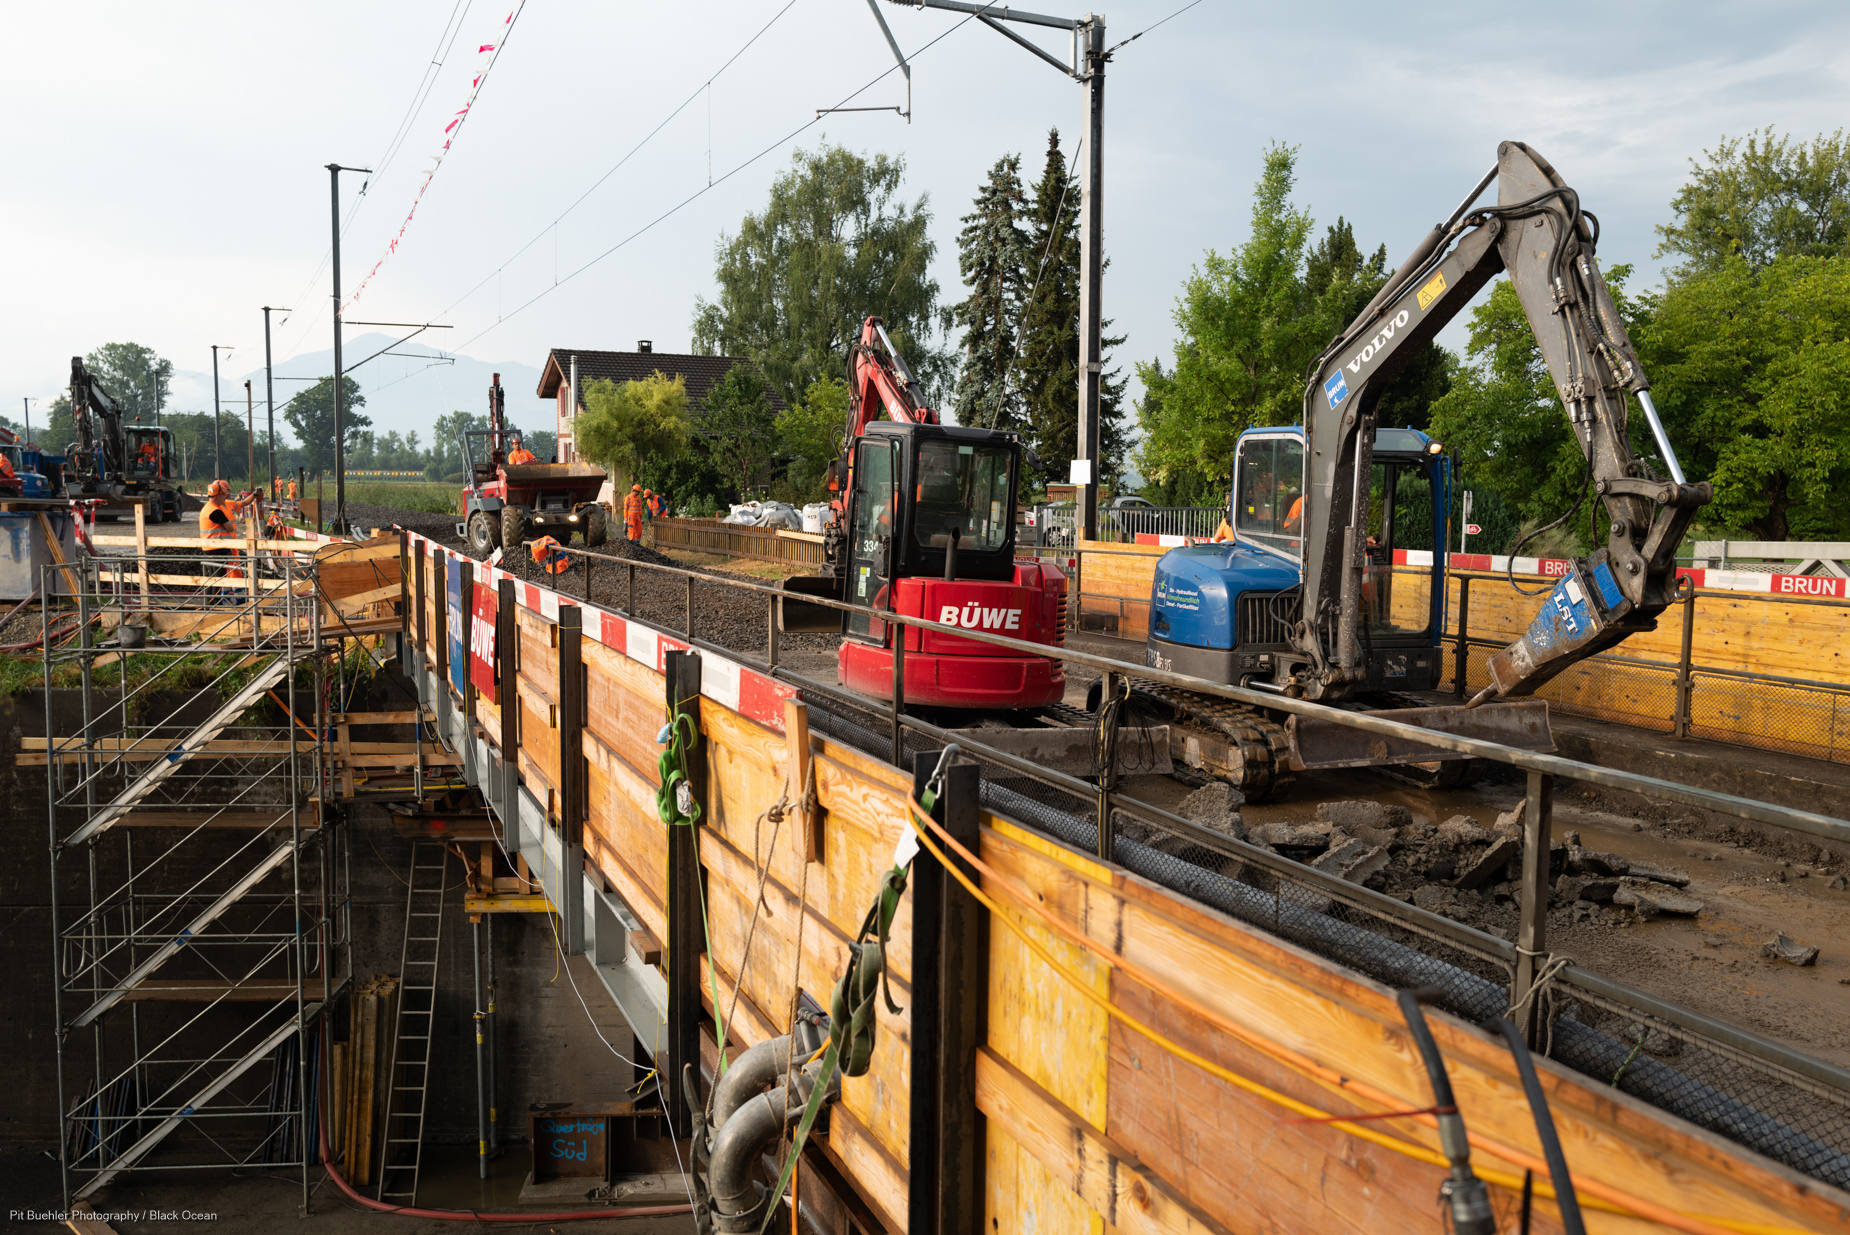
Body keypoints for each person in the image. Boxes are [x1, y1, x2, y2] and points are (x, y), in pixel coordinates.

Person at [199, 478, 249, 586]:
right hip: (218, 548)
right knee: (219, 579)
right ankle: (215, 601)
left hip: (209, 548)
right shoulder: (216, 511)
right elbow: (230, 528)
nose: (225, 497)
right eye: (223, 495)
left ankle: (210, 601)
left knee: (212, 578)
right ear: (217, 496)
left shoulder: (207, 508)